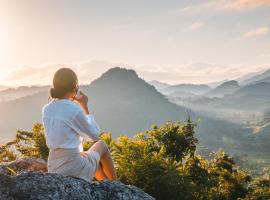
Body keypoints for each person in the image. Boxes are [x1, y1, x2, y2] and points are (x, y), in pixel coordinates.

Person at [42, 67, 117, 183]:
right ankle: (116, 186)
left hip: (54, 166)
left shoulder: (46, 109)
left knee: (90, 158)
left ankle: (107, 186)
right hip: (72, 167)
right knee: (101, 145)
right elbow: (94, 136)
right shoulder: (73, 110)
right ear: (74, 86)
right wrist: (84, 107)